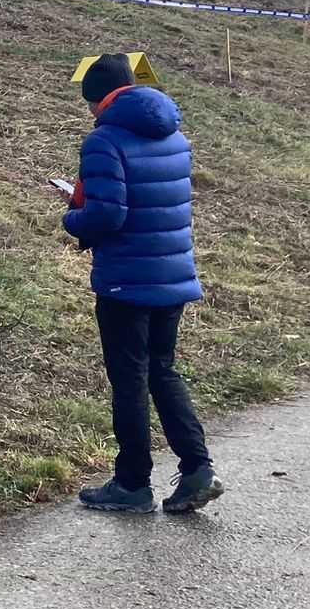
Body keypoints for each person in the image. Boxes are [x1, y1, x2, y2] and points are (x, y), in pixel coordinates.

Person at [63, 53, 224, 515]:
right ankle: (197, 468)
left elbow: (108, 214)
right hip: (172, 276)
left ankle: (132, 483)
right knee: (162, 370)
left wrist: (71, 216)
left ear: (97, 100)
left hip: (125, 282)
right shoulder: (174, 134)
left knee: (129, 379)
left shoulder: (103, 141)